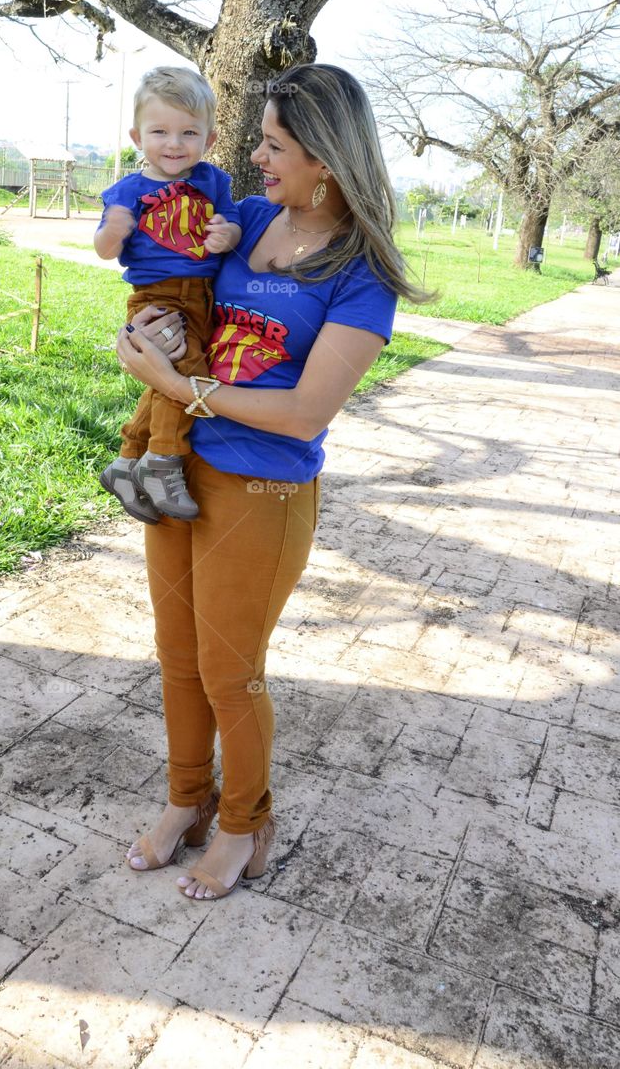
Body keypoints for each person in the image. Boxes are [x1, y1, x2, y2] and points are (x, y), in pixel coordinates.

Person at [115, 63, 431, 901]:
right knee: (176, 659)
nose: (254, 156)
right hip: (180, 471)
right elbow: (160, 273)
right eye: (256, 139)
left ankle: (244, 823)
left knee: (229, 673)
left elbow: (302, 412)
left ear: (325, 159)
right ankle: (187, 801)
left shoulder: (359, 274)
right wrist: (155, 335)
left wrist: (183, 390)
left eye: (274, 144)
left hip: (261, 496)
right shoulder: (244, 219)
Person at [94, 67, 241, 522]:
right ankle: (162, 460)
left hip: (202, 296)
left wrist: (227, 234)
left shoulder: (214, 181)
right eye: (160, 132)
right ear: (138, 136)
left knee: (165, 380)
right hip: (157, 299)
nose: (174, 144)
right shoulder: (128, 191)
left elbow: (233, 222)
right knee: (187, 372)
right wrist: (113, 232)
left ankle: (125, 461)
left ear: (209, 139)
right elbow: (103, 249)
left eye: (188, 132)